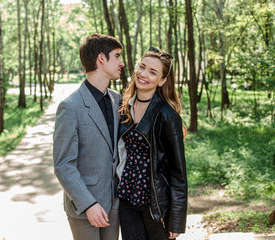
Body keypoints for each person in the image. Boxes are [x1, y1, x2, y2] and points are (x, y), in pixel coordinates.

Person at [53, 33, 125, 240]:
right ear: (101, 59)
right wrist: (88, 204)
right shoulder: (70, 107)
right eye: (117, 56)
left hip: (113, 202)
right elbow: (63, 164)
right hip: (84, 206)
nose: (121, 62)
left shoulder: (116, 99)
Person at [116, 47, 188, 240]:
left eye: (152, 72)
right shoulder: (124, 108)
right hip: (127, 198)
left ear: (162, 81)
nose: (143, 74)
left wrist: (177, 220)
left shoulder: (167, 116)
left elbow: (178, 172)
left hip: (155, 204)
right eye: (142, 67)